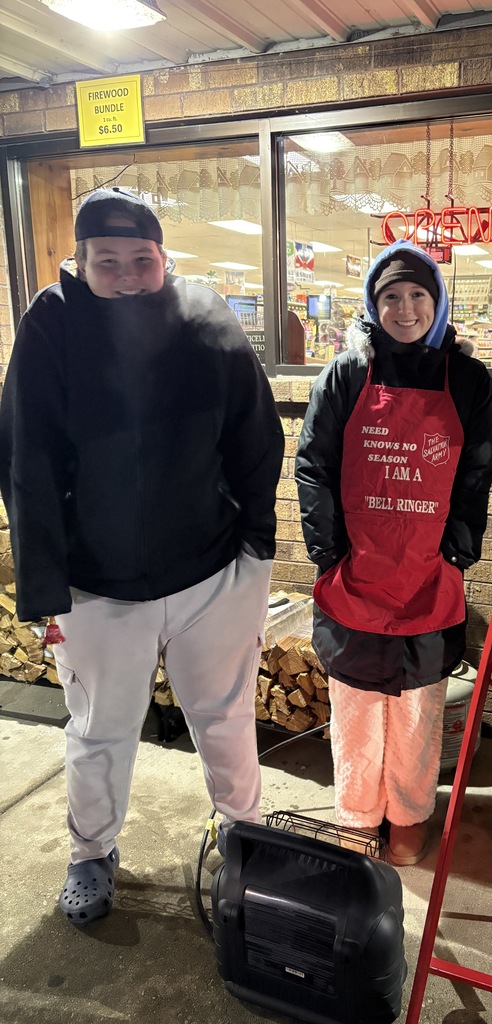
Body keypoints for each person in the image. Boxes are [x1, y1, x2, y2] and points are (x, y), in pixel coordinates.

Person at [0, 187, 285, 925]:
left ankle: (243, 835)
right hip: (95, 583)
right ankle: (90, 851)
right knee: (99, 728)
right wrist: (43, 585)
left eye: (142, 259)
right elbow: (26, 458)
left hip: (210, 572)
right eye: (108, 262)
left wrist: (257, 545)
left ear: (164, 258)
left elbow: (256, 434)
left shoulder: (204, 314)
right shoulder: (51, 324)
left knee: (225, 716)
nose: (128, 275)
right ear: (81, 262)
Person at [295, 239, 492, 866]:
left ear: (437, 303)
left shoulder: (467, 379)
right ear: (372, 304)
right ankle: (357, 814)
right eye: (391, 297)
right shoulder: (345, 374)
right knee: (355, 706)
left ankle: (408, 814)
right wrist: (329, 552)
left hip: (426, 573)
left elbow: (477, 473)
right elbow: (314, 465)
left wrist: (457, 551)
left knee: (418, 706)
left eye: (417, 295)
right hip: (355, 570)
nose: (405, 309)